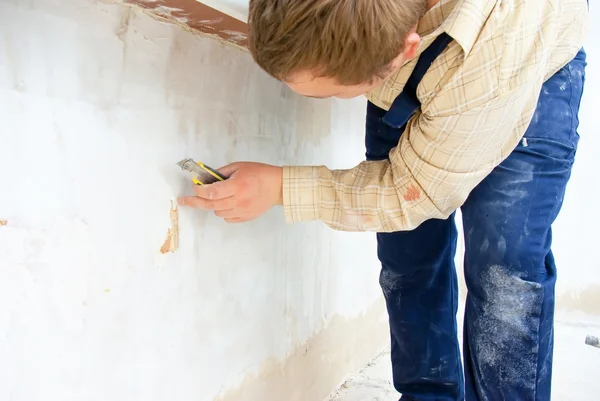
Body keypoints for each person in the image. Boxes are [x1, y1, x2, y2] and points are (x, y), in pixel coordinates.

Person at [177, 0, 589, 399]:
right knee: (406, 256)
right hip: (422, 58)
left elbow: (412, 193)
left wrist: (281, 187)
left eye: (333, 93)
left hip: (527, 67)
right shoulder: (381, 38)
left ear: (403, 52)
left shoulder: (498, 47)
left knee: (504, 267)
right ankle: (428, 396)